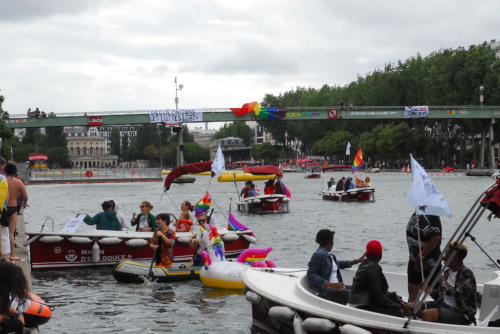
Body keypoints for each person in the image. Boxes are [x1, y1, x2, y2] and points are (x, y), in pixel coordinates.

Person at [419, 241, 477, 325]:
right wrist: (428, 290)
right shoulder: (447, 272)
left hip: (462, 313)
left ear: (455, 257)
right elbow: (441, 297)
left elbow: (459, 299)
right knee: (414, 309)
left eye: (447, 254)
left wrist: (443, 282)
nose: (443, 257)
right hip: (445, 307)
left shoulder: (466, 274)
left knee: (427, 314)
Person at [348, 240, 406, 317]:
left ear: (367, 254)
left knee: (395, 298)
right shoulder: (373, 268)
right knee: (397, 312)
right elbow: (377, 296)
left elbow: (376, 291)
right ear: (380, 255)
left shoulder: (363, 265)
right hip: (362, 306)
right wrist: (397, 306)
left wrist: (394, 297)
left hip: (356, 302)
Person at [307, 229, 364, 304]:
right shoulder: (319, 255)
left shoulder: (329, 255)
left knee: (361, 290)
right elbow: (311, 274)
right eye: (332, 240)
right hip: (326, 292)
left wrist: (355, 261)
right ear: (329, 242)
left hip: (337, 288)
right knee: (359, 295)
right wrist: (330, 285)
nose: (333, 243)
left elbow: (337, 264)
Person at [406, 213, 442, 303]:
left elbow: (436, 237)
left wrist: (421, 254)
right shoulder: (416, 213)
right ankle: (412, 311)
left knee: (433, 290)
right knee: (412, 291)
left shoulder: (431, 215)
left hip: (428, 262)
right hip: (414, 260)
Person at [4, 164, 28, 262]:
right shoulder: (18, 182)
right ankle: (12, 255)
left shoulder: (2, 181)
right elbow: (25, 197)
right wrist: (25, 203)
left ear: (5, 171)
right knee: (11, 233)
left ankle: (2, 254)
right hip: (13, 208)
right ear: (15, 172)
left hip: (3, 208)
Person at [0, 260, 29, 334]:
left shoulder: (3, 291)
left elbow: (5, 307)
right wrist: (4, 318)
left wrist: (18, 314)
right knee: (16, 324)